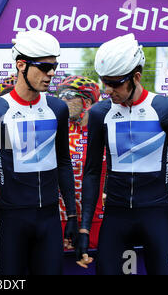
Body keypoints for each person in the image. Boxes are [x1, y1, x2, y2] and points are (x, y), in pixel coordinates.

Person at [77, 33, 168, 275]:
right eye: (104, 82)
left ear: (136, 77)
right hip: (116, 215)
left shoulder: (165, 109)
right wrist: (84, 229)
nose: (108, 90)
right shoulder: (101, 113)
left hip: (157, 214)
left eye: (115, 83)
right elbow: (91, 172)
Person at [0, 30, 77, 275]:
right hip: (12, 221)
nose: (51, 73)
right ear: (21, 65)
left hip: (50, 220)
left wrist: (72, 215)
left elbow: (63, 162)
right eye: (44, 67)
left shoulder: (57, 109)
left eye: (53, 66)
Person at [57, 76, 106, 250]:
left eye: (69, 95)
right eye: (60, 95)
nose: (62, 100)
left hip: (94, 219)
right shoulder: (57, 130)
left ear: (86, 101)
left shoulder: (102, 131)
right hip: (61, 218)